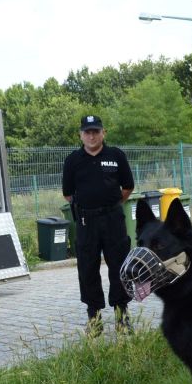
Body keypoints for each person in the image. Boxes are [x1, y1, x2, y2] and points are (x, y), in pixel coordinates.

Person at [61, 115, 134, 337]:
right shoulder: (73, 160)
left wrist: (109, 205)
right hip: (86, 221)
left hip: (113, 219)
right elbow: (68, 193)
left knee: (119, 266)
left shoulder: (116, 156)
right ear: (81, 135)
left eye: (95, 131)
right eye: (87, 132)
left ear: (104, 133)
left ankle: (122, 316)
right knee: (87, 268)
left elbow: (128, 186)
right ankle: (94, 317)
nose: (91, 136)